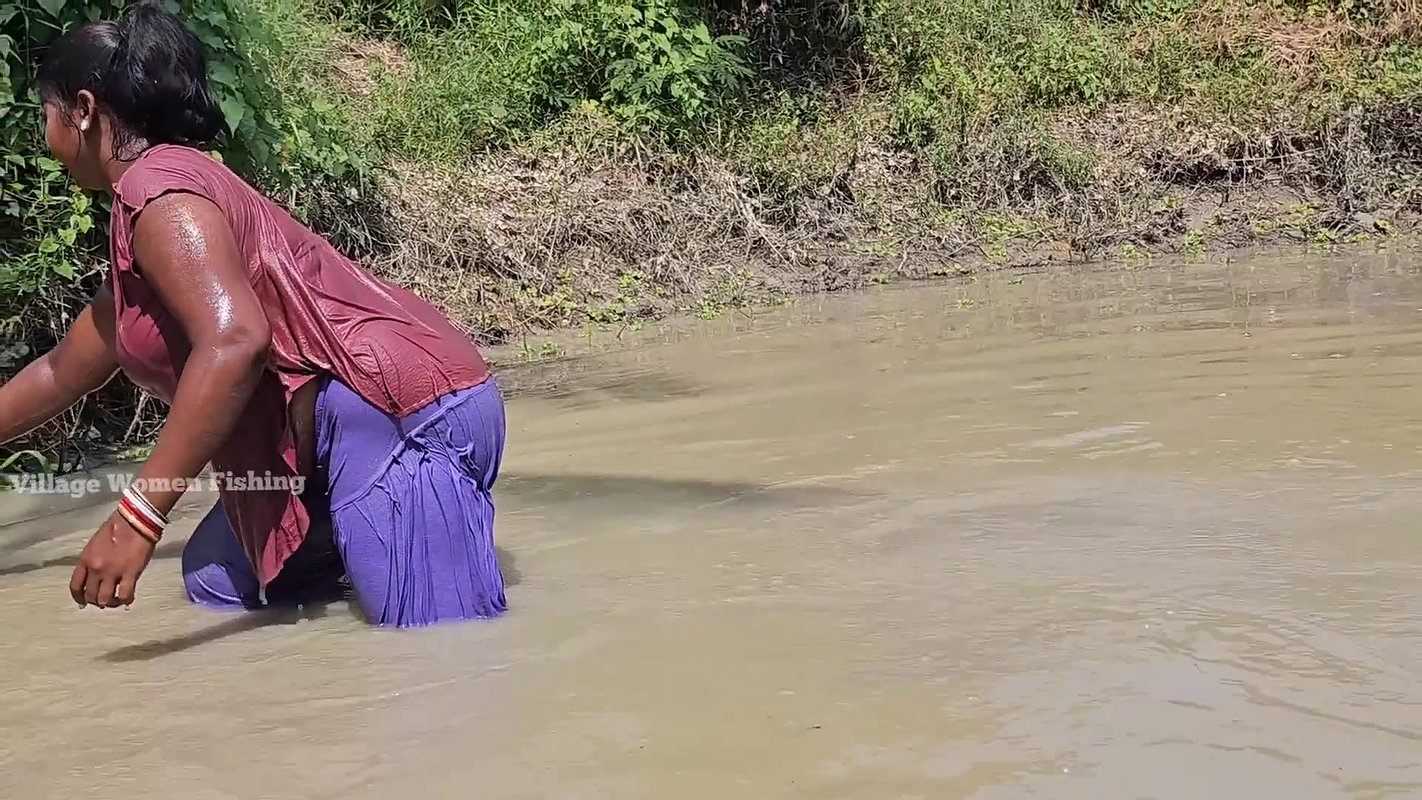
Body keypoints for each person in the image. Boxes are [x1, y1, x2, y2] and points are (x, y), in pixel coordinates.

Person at [0, 2, 508, 627]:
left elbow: (236, 339)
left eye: (45, 116)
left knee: (438, 658)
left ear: (81, 110)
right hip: (328, 433)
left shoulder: (161, 199)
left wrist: (140, 513)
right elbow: (64, 370)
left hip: (406, 413)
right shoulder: (153, 208)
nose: (43, 138)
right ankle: (363, 545)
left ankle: (395, 541)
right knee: (219, 576)